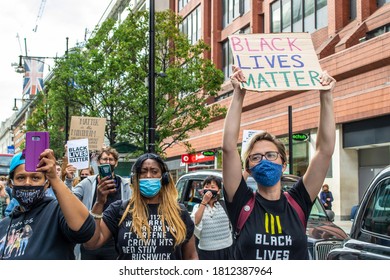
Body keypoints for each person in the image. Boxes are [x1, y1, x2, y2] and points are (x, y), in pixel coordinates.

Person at [222, 66, 336, 260]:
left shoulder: (298, 200)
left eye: (271, 155)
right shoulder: (242, 202)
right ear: (249, 168)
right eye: (256, 157)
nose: (264, 160)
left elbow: (324, 151)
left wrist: (326, 96)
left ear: (284, 163)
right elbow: (228, 148)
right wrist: (238, 95)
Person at [83, 153, 198, 260]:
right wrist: (99, 203)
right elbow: (91, 243)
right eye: (143, 172)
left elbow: (191, 256)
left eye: (154, 171)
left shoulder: (179, 212)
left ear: (164, 178)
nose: (148, 176)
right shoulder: (119, 209)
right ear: (135, 178)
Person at [0, 150, 95, 259]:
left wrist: (54, 178)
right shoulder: (4, 225)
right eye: (21, 177)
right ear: (11, 183)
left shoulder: (58, 211)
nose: (27, 183)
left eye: (35, 178)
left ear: (47, 183)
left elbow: (85, 230)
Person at [72, 147, 131, 259]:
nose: (108, 162)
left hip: (114, 242)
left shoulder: (125, 185)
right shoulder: (87, 183)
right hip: (91, 237)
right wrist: (69, 179)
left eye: (111, 159)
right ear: (98, 162)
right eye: (104, 159)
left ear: (116, 163)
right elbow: (70, 199)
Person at [190, 175, 233, 259]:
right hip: (206, 251)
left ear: (218, 191)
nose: (209, 189)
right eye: (206, 187)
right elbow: (195, 221)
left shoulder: (224, 205)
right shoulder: (198, 207)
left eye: (213, 187)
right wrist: (204, 202)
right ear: (203, 190)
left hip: (226, 249)